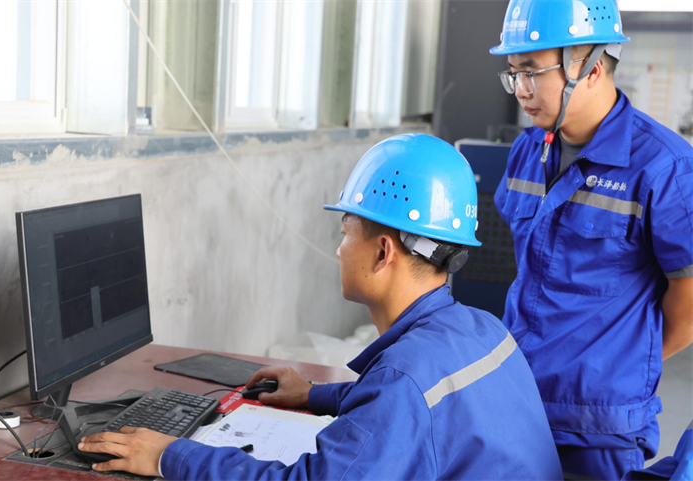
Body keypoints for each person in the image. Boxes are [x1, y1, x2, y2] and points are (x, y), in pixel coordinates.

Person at [77, 134, 563, 480]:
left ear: (383, 252)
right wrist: (314, 395)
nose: (338, 248)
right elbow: (414, 409)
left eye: (346, 231)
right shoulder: (483, 329)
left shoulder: (405, 380)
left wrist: (170, 456)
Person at [490, 1, 693, 479]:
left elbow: (688, 307)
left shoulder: (663, 168)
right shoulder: (527, 151)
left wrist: (616, 361)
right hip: (515, 398)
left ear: (592, 67)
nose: (521, 90)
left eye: (532, 72)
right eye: (514, 73)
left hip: (597, 425)